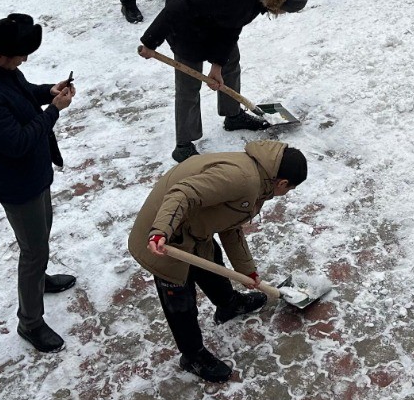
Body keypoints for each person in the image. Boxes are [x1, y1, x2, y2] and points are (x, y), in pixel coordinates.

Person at [128, 140, 308, 382]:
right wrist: (161, 230)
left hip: (192, 227)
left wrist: (249, 273)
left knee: (211, 260)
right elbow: (182, 193)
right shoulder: (242, 178)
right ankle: (193, 356)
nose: (286, 194)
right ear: (283, 183)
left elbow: (231, 226)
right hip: (163, 240)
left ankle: (228, 305)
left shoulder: (261, 179)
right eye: (289, 189)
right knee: (180, 300)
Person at [0, 13, 77, 352]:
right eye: (20, 55)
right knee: (33, 250)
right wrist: (54, 109)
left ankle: (40, 280)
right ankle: (30, 322)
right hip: (17, 184)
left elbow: (24, 91)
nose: (24, 60)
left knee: (41, 238)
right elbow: (17, 143)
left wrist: (47, 91)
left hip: (35, 173)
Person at [138, 0, 310, 161]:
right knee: (189, 84)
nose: (280, 13)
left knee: (231, 62)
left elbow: (233, 24)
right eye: (283, 9)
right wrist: (150, 41)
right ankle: (183, 145)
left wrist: (217, 65)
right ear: (279, 0)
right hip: (184, 21)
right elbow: (181, 4)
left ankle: (233, 115)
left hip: (213, 16)